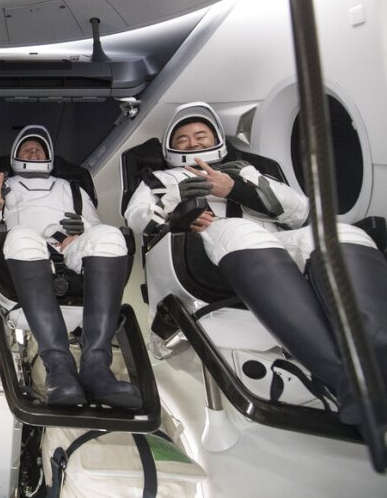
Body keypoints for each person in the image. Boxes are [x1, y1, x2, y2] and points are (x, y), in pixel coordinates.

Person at [124, 101, 387, 424]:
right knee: (242, 231)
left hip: (277, 244)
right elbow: (139, 218)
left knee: (340, 234)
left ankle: (377, 352)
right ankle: (346, 380)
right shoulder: (159, 180)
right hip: (205, 242)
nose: (192, 143)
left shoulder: (248, 170)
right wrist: (178, 207)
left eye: (200, 135)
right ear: (169, 147)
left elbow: (300, 211)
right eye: (182, 140)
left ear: (217, 138)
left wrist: (235, 188)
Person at [0, 125, 142, 409]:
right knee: (21, 237)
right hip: (23, 254)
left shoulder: (73, 189)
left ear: (50, 155)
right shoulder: (3, 188)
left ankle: (97, 367)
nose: (33, 150)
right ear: (15, 155)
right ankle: (59, 368)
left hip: (69, 248)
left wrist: (83, 228)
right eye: (27, 148)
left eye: (39, 147)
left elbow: (96, 229)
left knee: (111, 235)